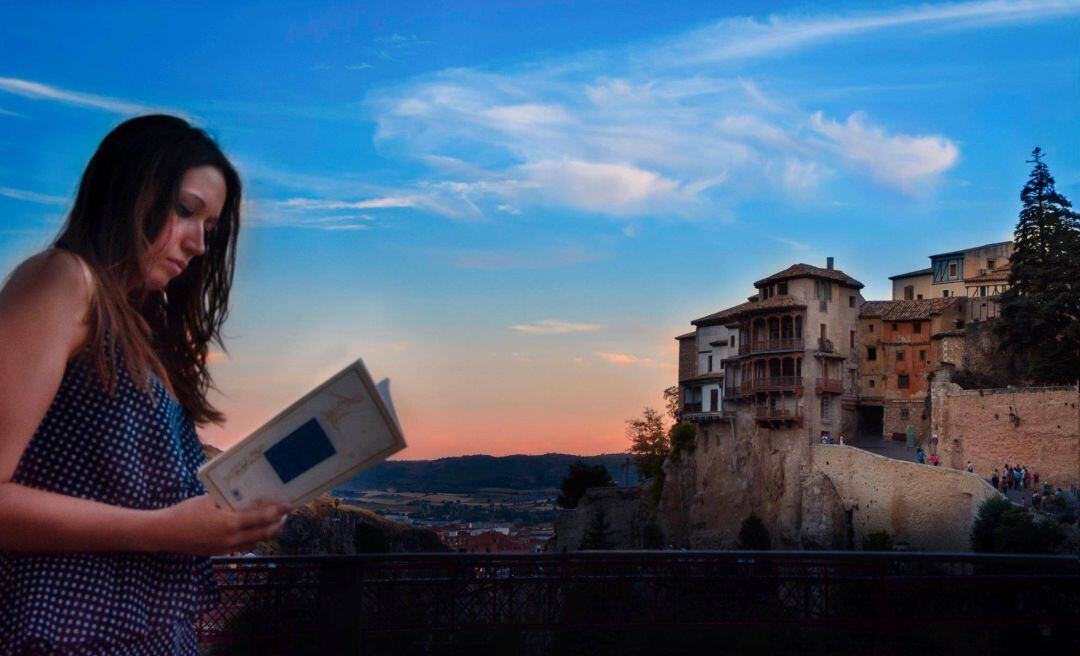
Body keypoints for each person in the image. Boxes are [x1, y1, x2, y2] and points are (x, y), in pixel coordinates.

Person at [0, 115, 292, 654]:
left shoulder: (138, 322)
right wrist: (162, 529)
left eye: (211, 226)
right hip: (70, 632)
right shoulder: (64, 280)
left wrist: (219, 516)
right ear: (130, 190)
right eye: (186, 211)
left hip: (143, 633)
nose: (201, 243)